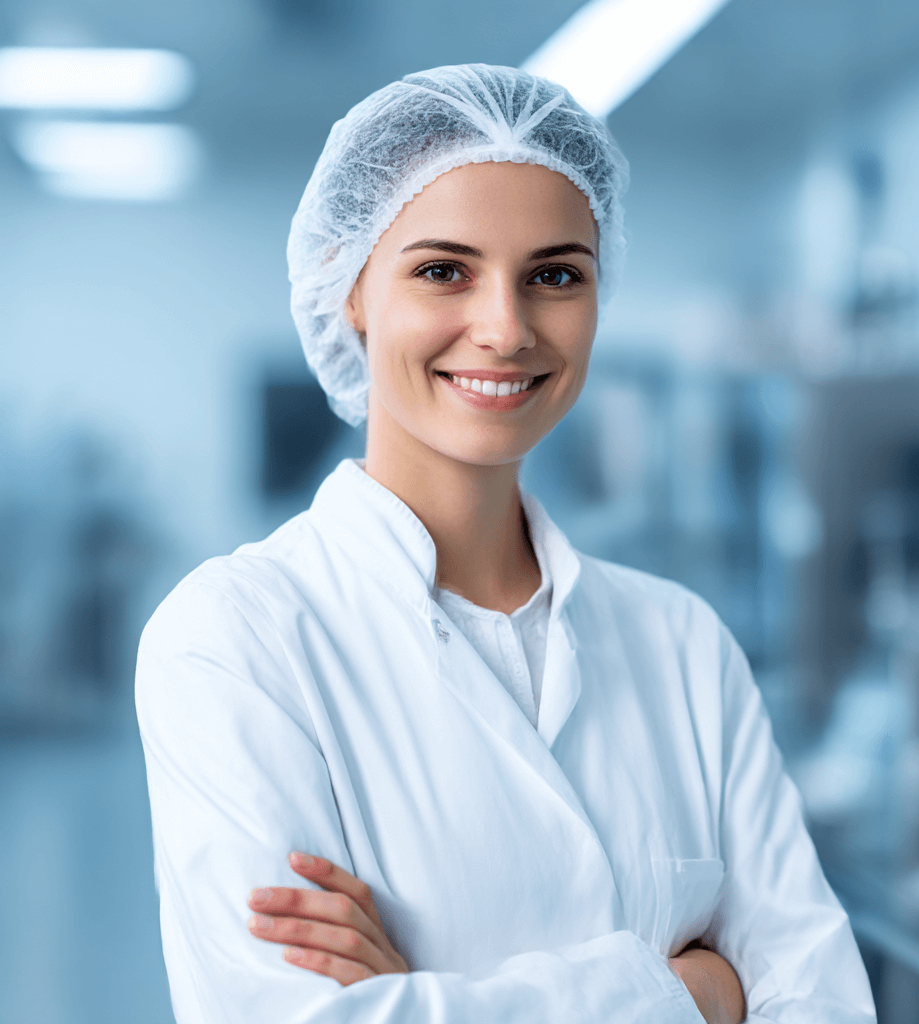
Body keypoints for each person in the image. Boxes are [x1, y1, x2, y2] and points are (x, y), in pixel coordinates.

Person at [136, 64, 876, 1024]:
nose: (505, 327)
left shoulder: (681, 642)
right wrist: (692, 991)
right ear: (350, 287)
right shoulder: (235, 639)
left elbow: (824, 1003)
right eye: (444, 269)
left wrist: (425, 995)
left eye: (555, 275)